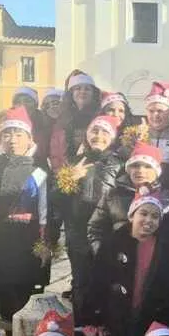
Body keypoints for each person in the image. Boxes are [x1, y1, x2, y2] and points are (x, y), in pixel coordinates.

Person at [82, 192, 169, 336]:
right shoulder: (112, 243)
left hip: (147, 321)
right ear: (131, 215)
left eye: (154, 216)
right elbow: (96, 282)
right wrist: (93, 319)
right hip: (114, 319)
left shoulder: (166, 249)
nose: (148, 220)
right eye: (143, 214)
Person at [0, 107, 50, 325]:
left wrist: (44, 245)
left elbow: (44, 212)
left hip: (27, 244)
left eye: (18, 134)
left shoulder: (38, 172)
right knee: (3, 297)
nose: (12, 140)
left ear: (29, 139)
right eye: (7, 134)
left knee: (26, 298)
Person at [55, 115, 122, 317]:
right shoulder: (74, 161)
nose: (98, 136)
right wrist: (68, 180)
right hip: (78, 234)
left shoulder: (121, 163)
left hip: (107, 233)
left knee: (108, 283)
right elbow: (55, 201)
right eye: (94, 131)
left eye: (104, 132)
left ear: (113, 137)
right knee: (82, 285)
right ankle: (81, 334)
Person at [47, 71, 101, 174]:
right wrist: (60, 174)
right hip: (64, 175)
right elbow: (55, 150)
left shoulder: (99, 117)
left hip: (91, 173)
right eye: (78, 88)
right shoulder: (62, 118)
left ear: (93, 93)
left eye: (87, 89)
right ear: (71, 93)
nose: (82, 92)